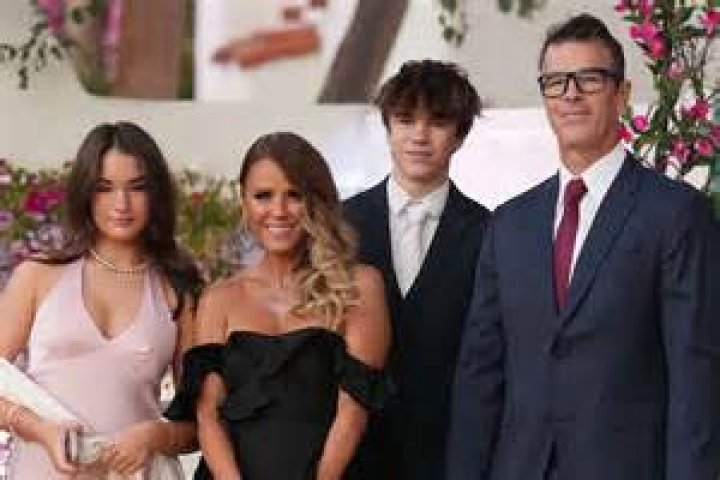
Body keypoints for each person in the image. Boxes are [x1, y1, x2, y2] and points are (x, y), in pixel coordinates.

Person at [446, 13, 720, 480]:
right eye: (556, 82)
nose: (570, 94)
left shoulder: (675, 214)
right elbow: (480, 374)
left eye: (589, 79)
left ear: (623, 94)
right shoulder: (509, 224)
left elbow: (697, 376)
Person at [165, 131, 392, 480]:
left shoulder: (359, 285)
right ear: (245, 202)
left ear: (316, 203)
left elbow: (353, 413)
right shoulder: (219, 299)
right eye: (263, 196)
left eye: (294, 195)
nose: (279, 211)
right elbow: (208, 415)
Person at [0, 121, 201, 478]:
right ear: (85, 193)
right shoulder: (38, 276)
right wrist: (39, 430)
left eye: (137, 187)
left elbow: (200, 423)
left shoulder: (177, 289)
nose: (121, 204)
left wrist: (155, 435)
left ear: (156, 194)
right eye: (104, 188)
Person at [343, 59, 490, 480]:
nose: (419, 136)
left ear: (459, 134)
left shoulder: (490, 232)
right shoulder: (340, 225)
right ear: (388, 126)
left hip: (448, 456)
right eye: (406, 120)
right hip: (352, 456)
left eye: (438, 122)